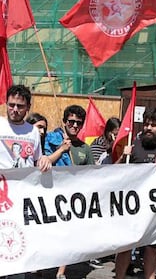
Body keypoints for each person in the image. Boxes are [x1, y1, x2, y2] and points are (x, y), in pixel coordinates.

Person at [115, 108, 156, 279]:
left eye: (153, 125)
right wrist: (123, 157)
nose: (149, 128)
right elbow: (115, 176)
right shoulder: (133, 147)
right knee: (125, 246)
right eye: (146, 124)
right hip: (132, 208)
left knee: (153, 248)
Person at [0, 85, 51, 279]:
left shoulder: (33, 133)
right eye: (11, 105)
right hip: (1, 200)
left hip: (22, 203)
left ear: (27, 107)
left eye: (20, 106)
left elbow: (37, 161)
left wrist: (45, 160)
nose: (14, 109)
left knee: (16, 253)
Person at [44, 105, 98, 278]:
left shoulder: (85, 149)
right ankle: (38, 267)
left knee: (66, 235)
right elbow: (44, 162)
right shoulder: (52, 139)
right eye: (71, 121)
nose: (74, 125)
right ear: (65, 121)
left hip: (72, 199)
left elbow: (92, 174)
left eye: (78, 123)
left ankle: (61, 272)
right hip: (51, 194)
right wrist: (61, 150)